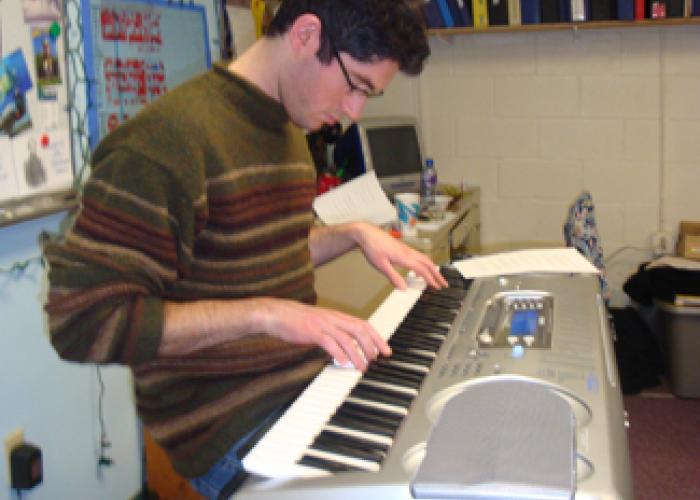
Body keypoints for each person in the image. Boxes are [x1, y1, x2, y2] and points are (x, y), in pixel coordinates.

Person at [43, 0, 440, 498]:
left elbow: (257, 256)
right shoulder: (164, 145)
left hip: (305, 391)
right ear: (305, 35)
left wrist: (352, 233)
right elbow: (81, 324)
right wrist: (264, 316)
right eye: (355, 85)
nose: (352, 111)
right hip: (229, 430)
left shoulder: (287, 129)